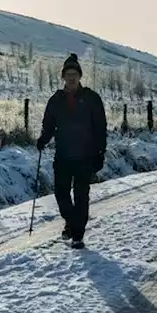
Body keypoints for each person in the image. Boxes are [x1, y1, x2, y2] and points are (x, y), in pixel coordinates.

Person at [36, 53, 107, 249]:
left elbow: (100, 127)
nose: (71, 77)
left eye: (74, 73)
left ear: (80, 76)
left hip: (86, 156)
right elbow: (48, 124)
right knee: (61, 194)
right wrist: (43, 139)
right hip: (63, 156)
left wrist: (100, 153)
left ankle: (78, 236)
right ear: (63, 77)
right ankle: (71, 221)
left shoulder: (92, 98)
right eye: (68, 74)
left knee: (81, 196)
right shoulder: (56, 100)